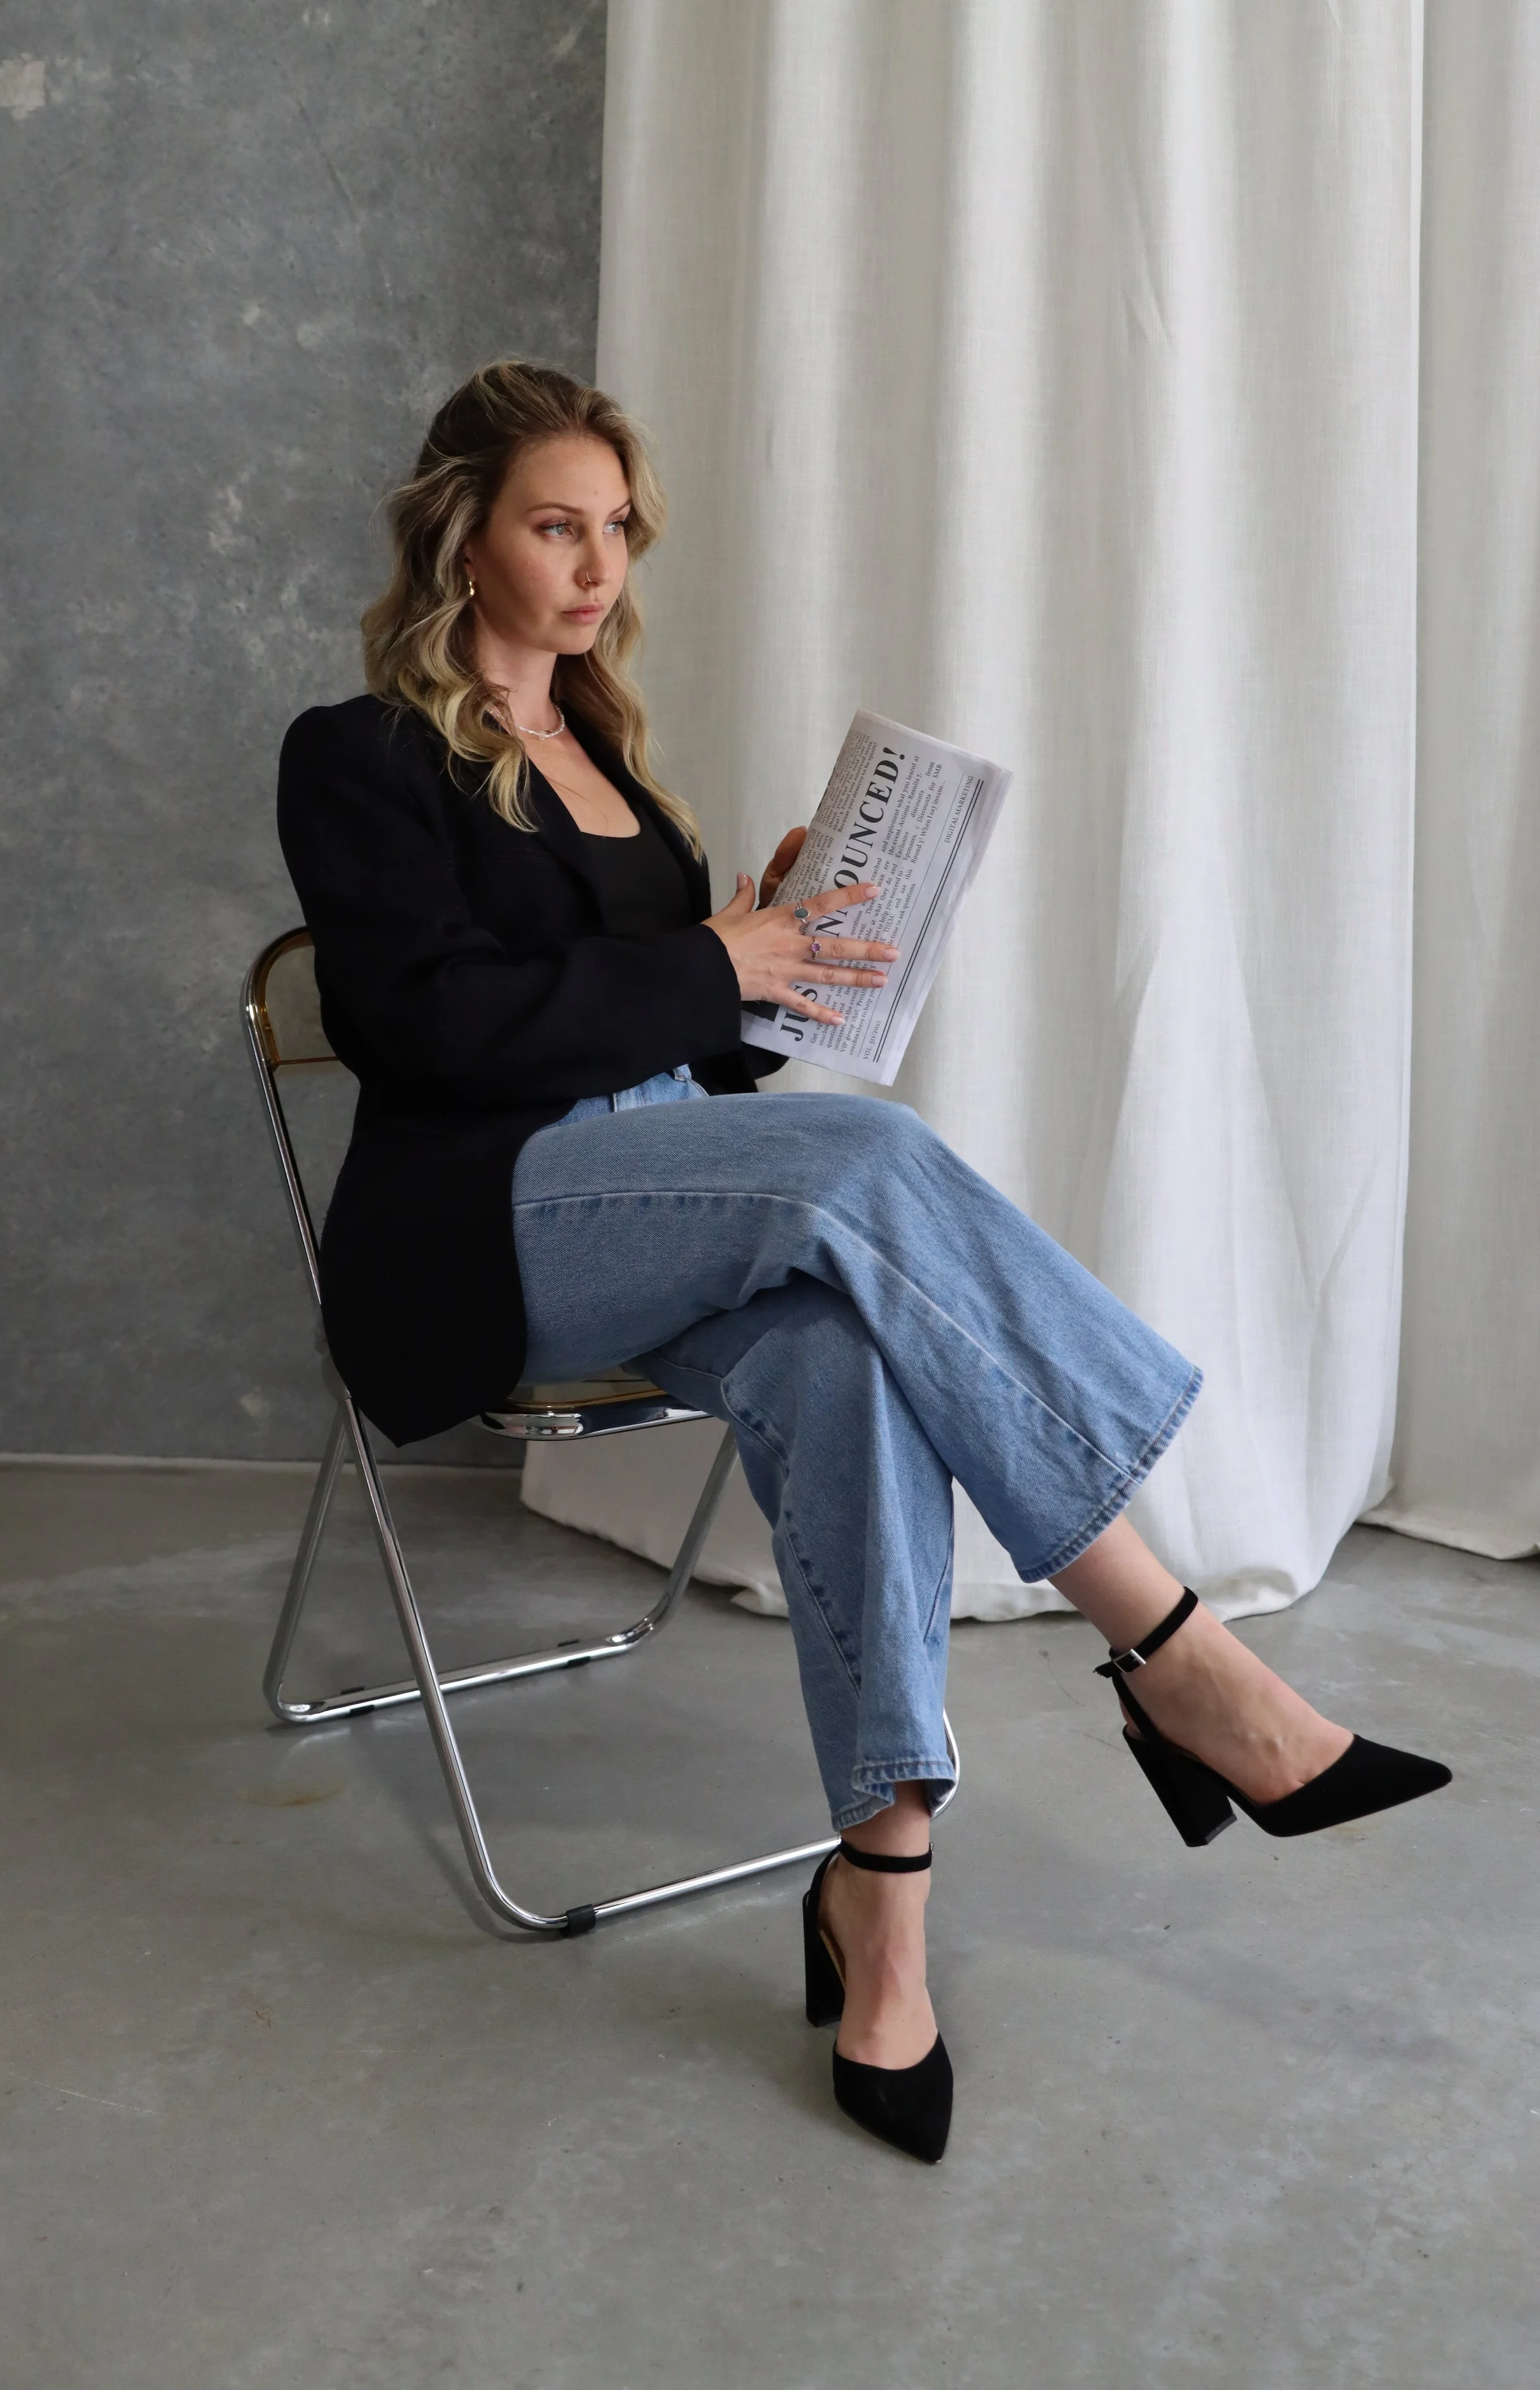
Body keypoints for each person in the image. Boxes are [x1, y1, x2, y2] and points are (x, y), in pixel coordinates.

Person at [277, 360, 1450, 2165]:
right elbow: (429, 1027)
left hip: (662, 1196)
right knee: (864, 1153)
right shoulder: (358, 756)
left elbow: (699, 1076)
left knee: (838, 1347)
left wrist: (781, 947)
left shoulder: (615, 768)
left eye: (615, 530)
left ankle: (879, 1898)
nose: (595, 566)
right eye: (553, 523)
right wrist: (714, 962)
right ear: (462, 530)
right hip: (492, 1232)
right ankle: (1167, 1643)